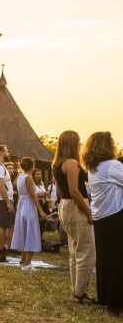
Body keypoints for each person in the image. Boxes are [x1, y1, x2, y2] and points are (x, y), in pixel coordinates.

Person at [52, 130, 96, 304]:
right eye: (78, 141)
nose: (80, 144)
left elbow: (65, 189)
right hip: (75, 206)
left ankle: (78, 290)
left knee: (75, 250)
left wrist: (86, 195)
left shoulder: (57, 163)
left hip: (65, 205)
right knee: (87, 251)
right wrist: (89, 212)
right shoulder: (71, 162)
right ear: (72, 143)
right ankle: (80, 294)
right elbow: (74, 191)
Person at [82, 131, 123, 313]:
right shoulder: (113, 165)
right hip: (115, 215)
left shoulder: (92, 168)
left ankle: (105, 297)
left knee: (105, 258)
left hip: (100, 217)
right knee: (117, 260)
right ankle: (116, 303)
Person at [10, 158, 47, 270]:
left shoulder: (20, 176)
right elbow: (33, 195)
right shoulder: (28, 178)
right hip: (28, 206)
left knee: (25, 233)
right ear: (32, 166)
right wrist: (41, 211)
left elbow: (15, 183)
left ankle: (22, 261)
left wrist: (20, 171)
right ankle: (27, 264)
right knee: (31, 233)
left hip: (21, 204)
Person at [0, 145, 15, 251]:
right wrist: (8, 203)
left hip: (7, 199)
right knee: (2, 225)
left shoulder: (2, 166)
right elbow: (1, 186)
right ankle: (1, 249)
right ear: (2, 153)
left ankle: (10, 247)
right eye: (7, 152)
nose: (8, 154)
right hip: (2, 200)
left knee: (11, 224)